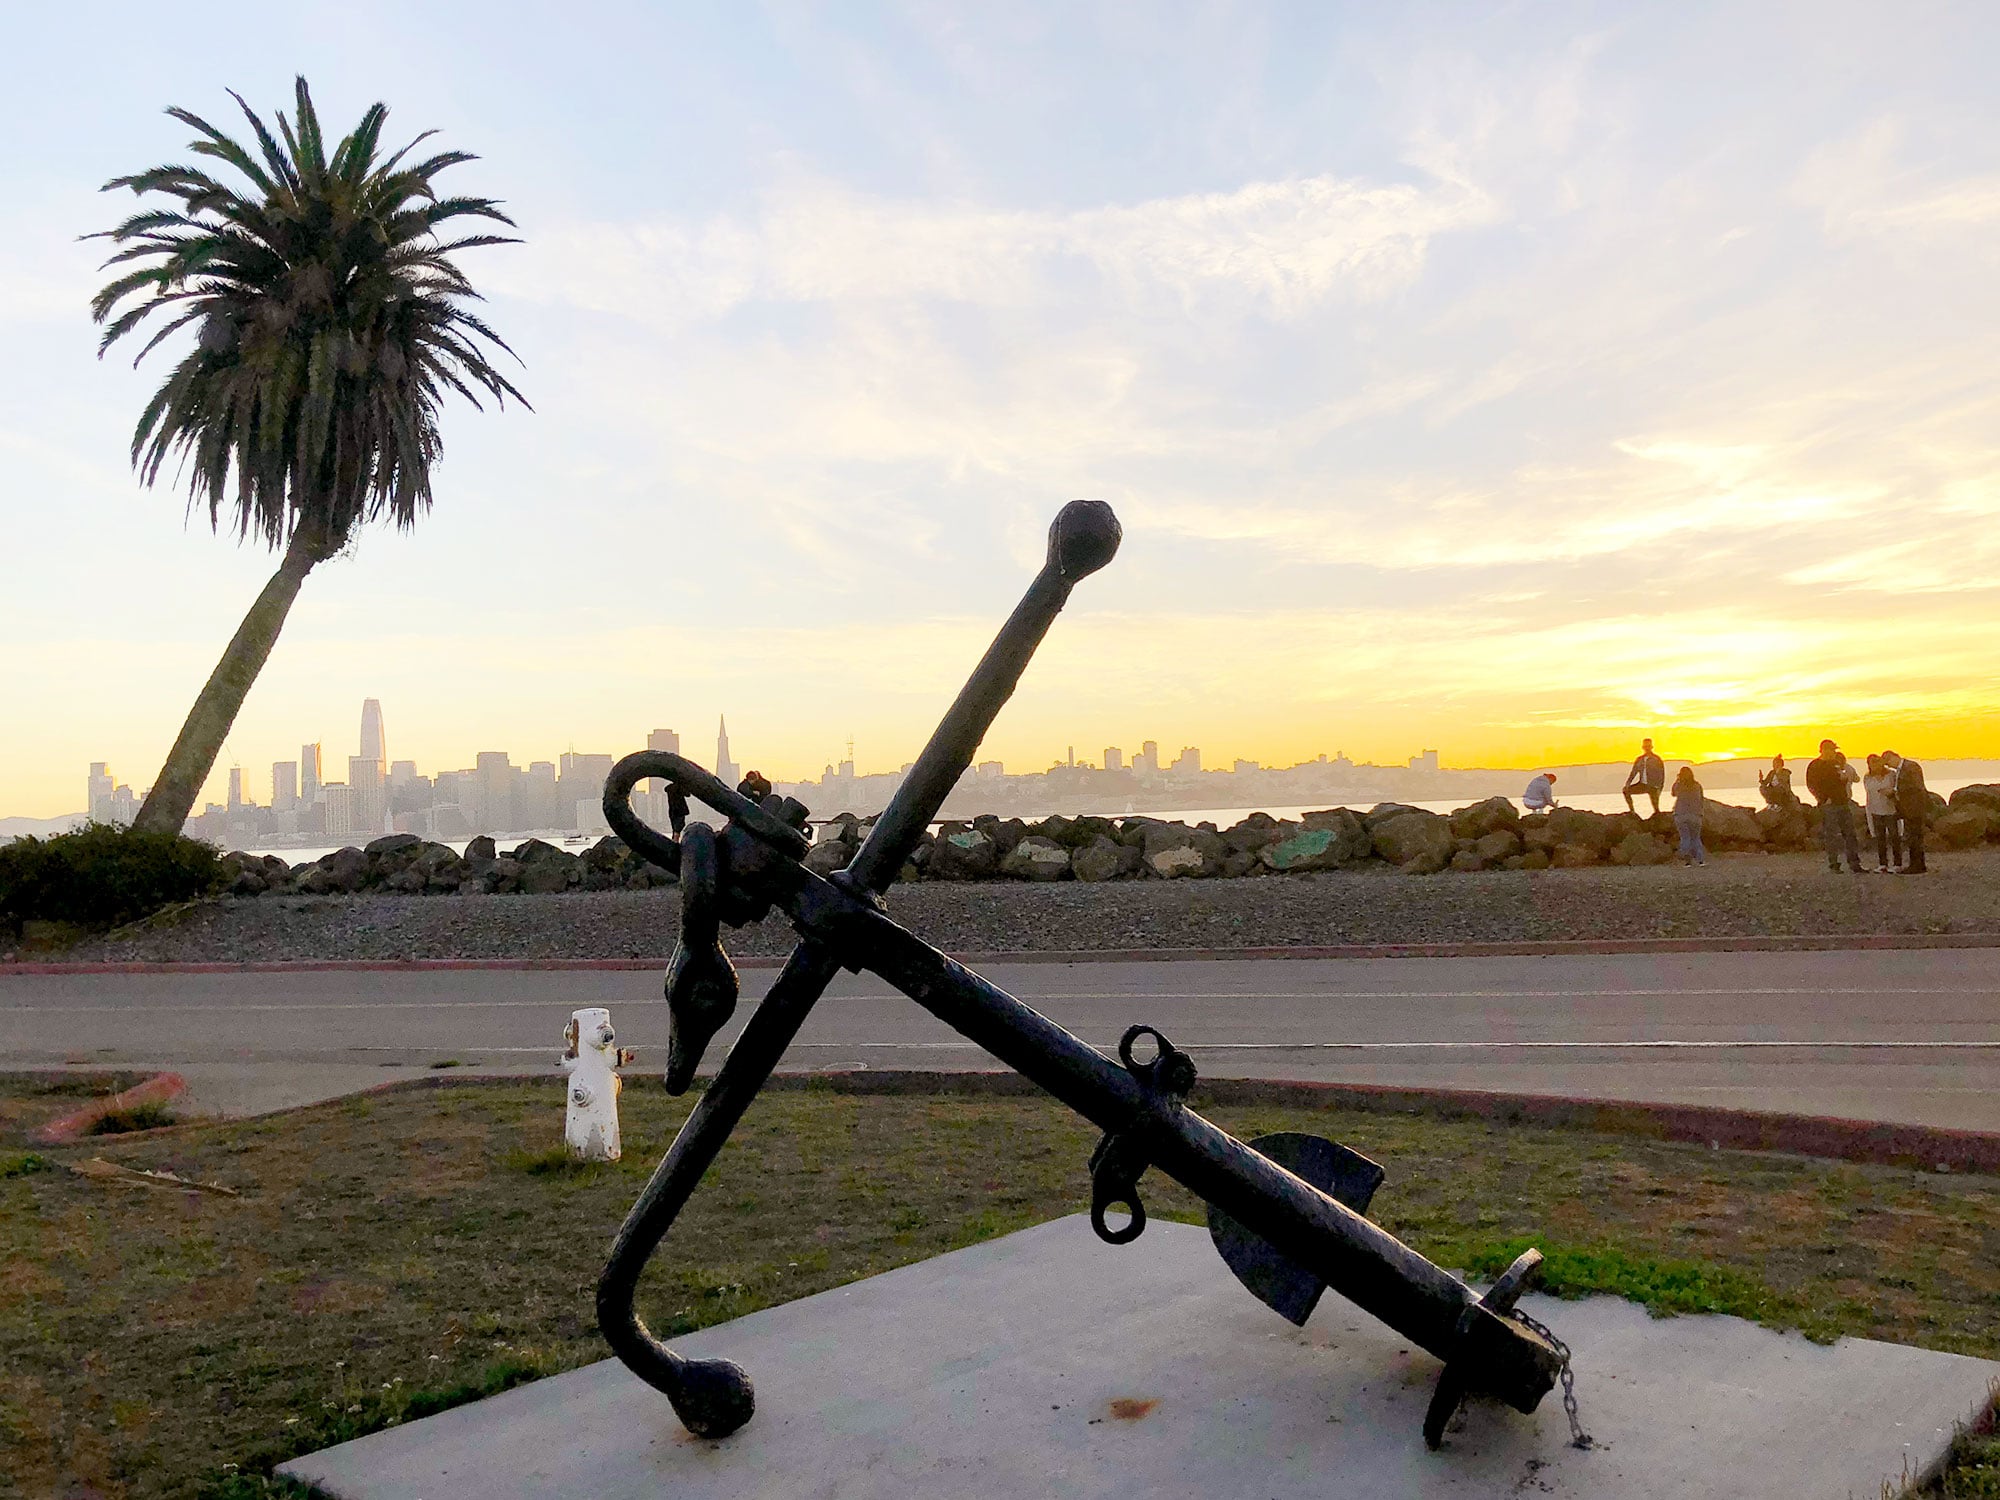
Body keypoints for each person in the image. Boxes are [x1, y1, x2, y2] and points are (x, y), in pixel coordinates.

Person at [1804, 739, 1865, 873]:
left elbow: (1839, 779)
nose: (1833, 753)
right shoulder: (1815, 765)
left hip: (1843, 802)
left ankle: (1854, 863)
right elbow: (1811, 784)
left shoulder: (1835, 763)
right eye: (1831, 750)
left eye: (1834, 750)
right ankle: (1834, 864)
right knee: (1831, 835)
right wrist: (1823, 799)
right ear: (1823, 750)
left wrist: (1843, 780)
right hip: (1828, 805)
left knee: (1850, 833)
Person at [1883, 750, 1929, 874]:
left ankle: (1917, 865)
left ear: (1893, 757)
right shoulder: (1902, 769)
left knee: (1915, 836)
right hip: (1908, 808)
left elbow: (1916, 786)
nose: (1889, 765)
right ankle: (1917, 864)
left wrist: (1895, 791)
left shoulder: (1910, 767)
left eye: (1888, 762)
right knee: (1913, 837)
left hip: (1914, 807)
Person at [1861, 753, 1902, 873]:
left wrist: (1890, 793)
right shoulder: (1868, 777)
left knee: (1895, 837)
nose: (1874, 764)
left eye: (1876, 761)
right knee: (1880, 838)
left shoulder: (1891, 775)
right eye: (1871, 762)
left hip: (1890, 810)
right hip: (1875, 810)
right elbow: (1868, 793)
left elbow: (1897, 789)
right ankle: (1883, 863)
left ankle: (1897, 863)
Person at [1670, 765, 1706, 865]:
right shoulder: (1697, 785)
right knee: (1696, 837)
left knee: (1685, 837)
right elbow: (1701, 799)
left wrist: (1677, 780)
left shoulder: (1679, 785)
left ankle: (1687, 861)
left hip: (1680, 814)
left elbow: (1673, 793)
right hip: (1695, 814)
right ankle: (1700, 860)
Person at [1623, 738, 1666, 816]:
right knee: (1626, 791)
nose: (1647, 748)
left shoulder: (1656, 759)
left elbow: (1661, 774)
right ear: (1643, 747)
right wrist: (1628, 783)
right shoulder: (1639, 759)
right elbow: (1633, 772)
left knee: (1656, 808)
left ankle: (1657, 815)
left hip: (1653, 786)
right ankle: (1632, 811)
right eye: (1645, 746)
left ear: (1651, 747)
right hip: (1642, 784)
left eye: (1648, 746)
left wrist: (1659, 787)